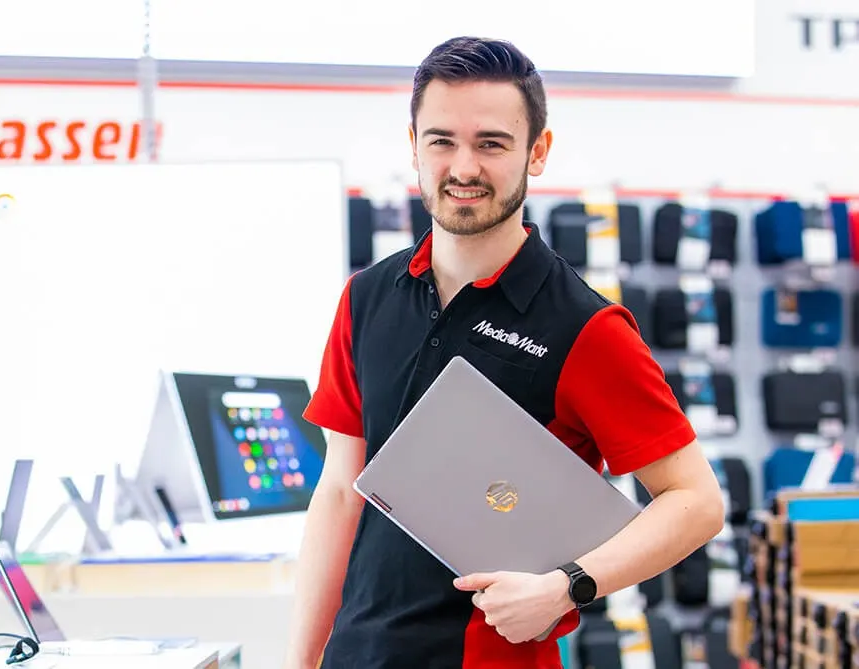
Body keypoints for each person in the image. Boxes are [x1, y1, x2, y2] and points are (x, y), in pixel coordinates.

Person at [283, 36, 726, 669]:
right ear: (413, 144)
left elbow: (696, 501)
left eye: (491, 143)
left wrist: (568, 584)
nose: (463, 167)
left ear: (536, 152)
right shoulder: (365, 299)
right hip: (360, 653)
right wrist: (301, 660)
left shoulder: (587, 328)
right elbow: (339, 493)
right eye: (442, 141)